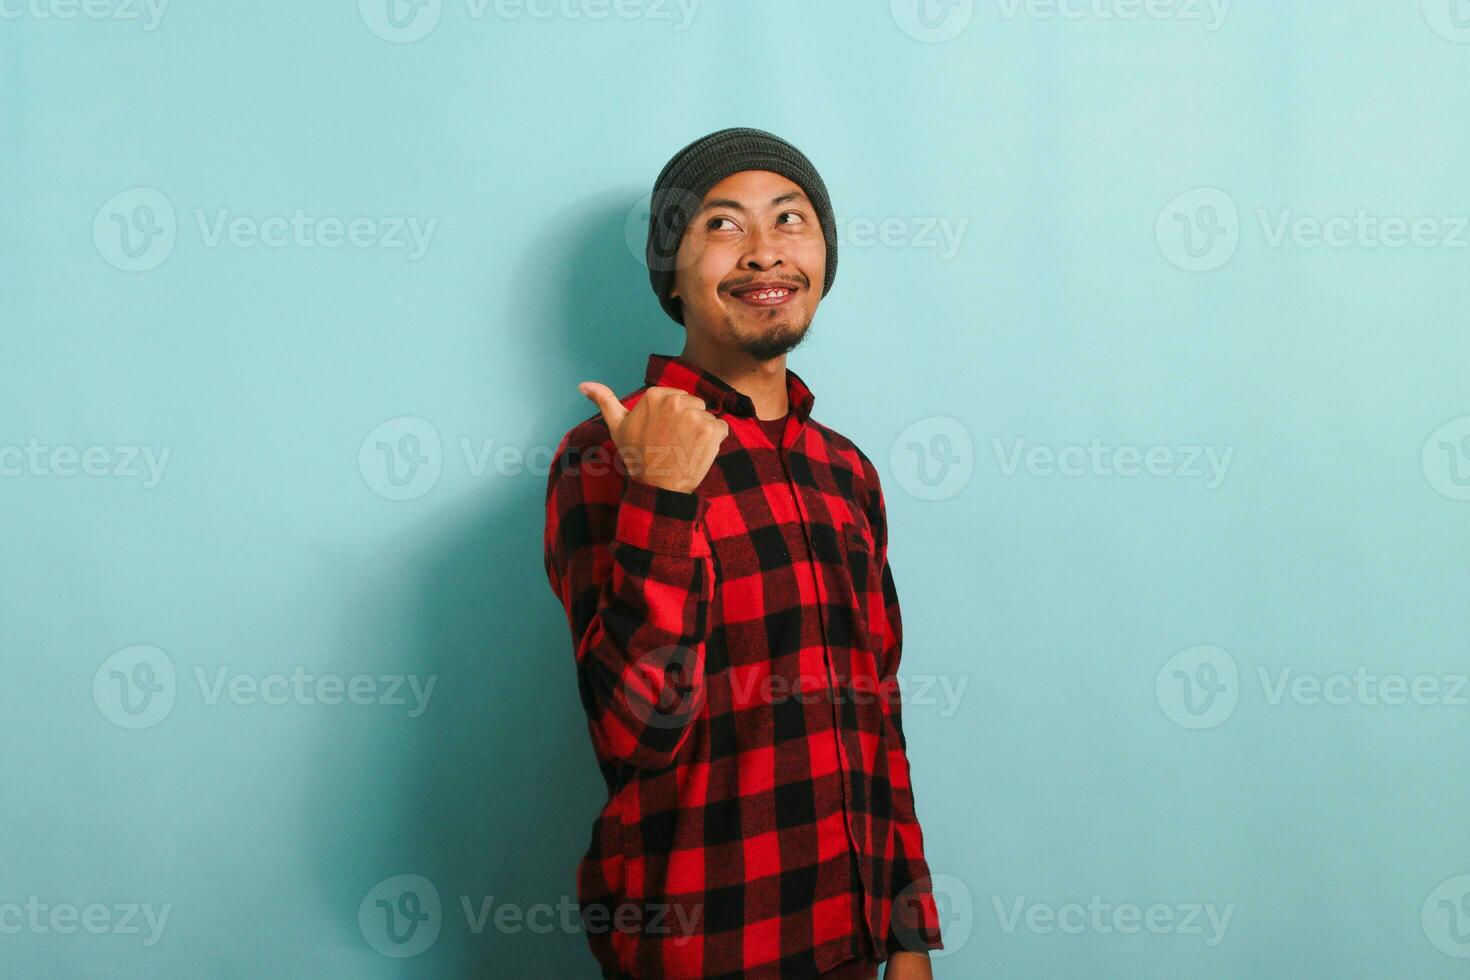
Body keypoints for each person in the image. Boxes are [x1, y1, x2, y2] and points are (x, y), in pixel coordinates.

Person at [543, 127, 943, 979]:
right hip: (701, 948)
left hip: (853, 941)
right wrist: (662, 495)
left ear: (824, 256)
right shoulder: (604, 457)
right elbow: (633, 730)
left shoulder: (846, 471)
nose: (766, 253)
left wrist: (907, 937)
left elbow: (880, 720)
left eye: (791, 220)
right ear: (672, 279)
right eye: (722, 226)